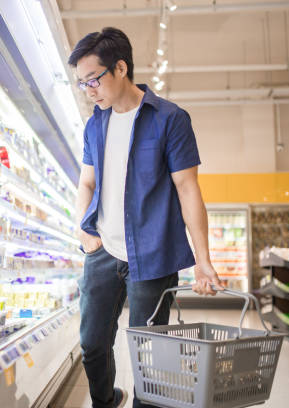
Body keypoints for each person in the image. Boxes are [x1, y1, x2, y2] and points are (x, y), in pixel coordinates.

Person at [68, 27, 224, 408]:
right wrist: (82, 231)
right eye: (82, 83)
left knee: (149, 355)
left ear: (120, 68)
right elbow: (86, 182)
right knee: (91, 343)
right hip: (103, 252)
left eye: (93, 80)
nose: (88, 90)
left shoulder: (170, 119)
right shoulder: (95, 124)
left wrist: (203, 263)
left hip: (153, 255)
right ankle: (106, 400)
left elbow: (188, 189)